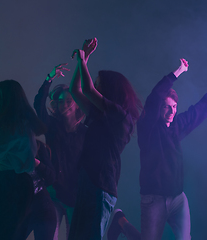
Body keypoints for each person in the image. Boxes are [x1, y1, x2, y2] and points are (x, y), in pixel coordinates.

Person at [107, 58, 206, 240]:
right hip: (154, 199)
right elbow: (153, 98)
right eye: (166, 108)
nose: (171, 112)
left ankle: (121, 221)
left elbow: (200, 109)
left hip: (177, 198)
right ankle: (121, 222)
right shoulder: (147, 128)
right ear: (159, 109)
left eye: (174, 107)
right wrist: (178, 71)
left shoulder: (177, 125)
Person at [68, 38, 142, 240]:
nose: (96, 87)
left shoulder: (122, 116)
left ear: (110, 89)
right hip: (88, 181)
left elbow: (88, 90)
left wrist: (83, 61)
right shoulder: (99, 114)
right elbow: (76, 91)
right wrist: (84, 60)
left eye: (100, 84)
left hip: (101, 184)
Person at [0, 79, 47, 240]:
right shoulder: (25, 125)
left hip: (7, 186)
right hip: (23, 184)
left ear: (6, 99)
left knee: (0, 234)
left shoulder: (9, 126)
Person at [33, 63, 87, 240]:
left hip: (75, 195)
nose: (65, 104)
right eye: (61, 101)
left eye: (69, 100)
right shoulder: (52, 126)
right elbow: (39, 107)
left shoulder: (84, 131)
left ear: (77, 104)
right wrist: (49, 78)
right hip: (53, 193)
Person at [19, 140, 57, 240]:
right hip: (21, 208)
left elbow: (51, 177)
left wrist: (37, 163)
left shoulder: (37, 146)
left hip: (42, 206)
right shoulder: (7, 148)